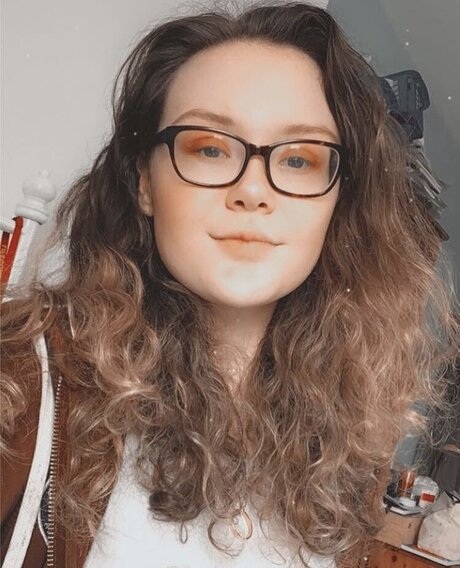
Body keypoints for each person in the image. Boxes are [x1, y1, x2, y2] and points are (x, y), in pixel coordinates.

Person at [1, 2, 458, 567]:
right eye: (210, 148)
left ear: (338, 201)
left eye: (299, 159)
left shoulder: (349, 440)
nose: (253, 190)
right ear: (145, 182)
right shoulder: (22, 381)